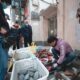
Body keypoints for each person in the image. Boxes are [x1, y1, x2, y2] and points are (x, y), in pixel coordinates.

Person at [0, 1, 10, 80]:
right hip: (1, 38)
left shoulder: (1, 8)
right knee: (3, 65)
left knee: (5, 63)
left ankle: (4, 76)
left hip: (4, 38)